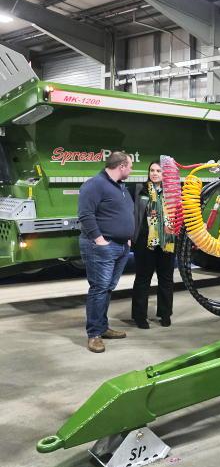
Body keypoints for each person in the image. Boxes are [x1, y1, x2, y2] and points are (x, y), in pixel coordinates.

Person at [77, 151, 135, 353]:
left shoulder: (119, 186)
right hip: (102, 247)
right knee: (99, 289)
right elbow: (85, 215)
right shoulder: (95, 184)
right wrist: (100, 240)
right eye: (130, 166)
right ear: (121, 166)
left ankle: (102, 327)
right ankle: (94, 335)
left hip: (120, 246)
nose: (131, 169)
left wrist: (126, 237)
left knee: (107, 288)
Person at [131, 161, 176, 329]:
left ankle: (165, 314)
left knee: (166, 279)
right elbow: (133, 214)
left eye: (159, 171)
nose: (155, 173)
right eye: (152, 170)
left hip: (167, 242)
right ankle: (139, 316)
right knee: (143, 279)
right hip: (144, 242)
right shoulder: (139, 190)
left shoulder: (172, 193)